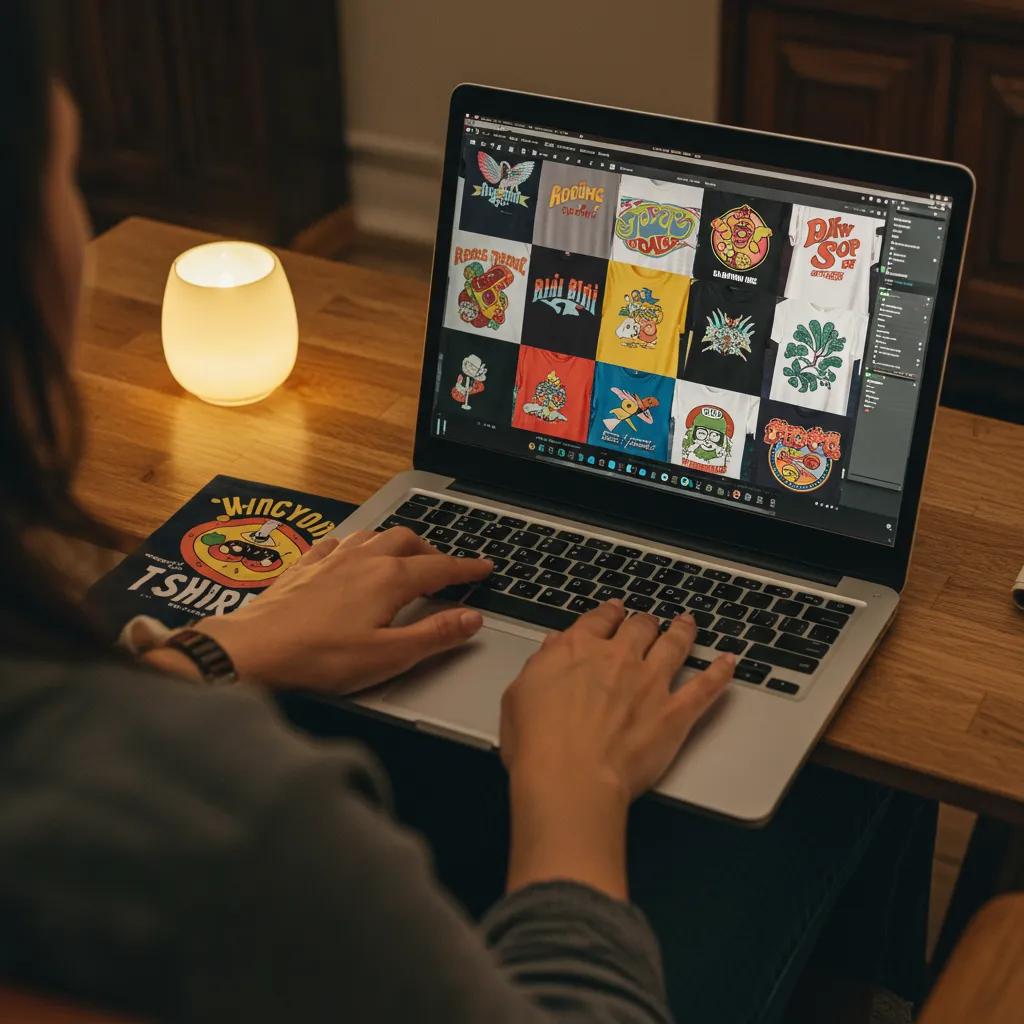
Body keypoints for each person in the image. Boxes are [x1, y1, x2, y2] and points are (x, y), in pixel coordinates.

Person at [0, 5, 934, 1022]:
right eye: (70, 177)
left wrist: (216, 650)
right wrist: (569, 793)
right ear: (31, 269)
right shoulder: (250, 819)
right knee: (839, 783)